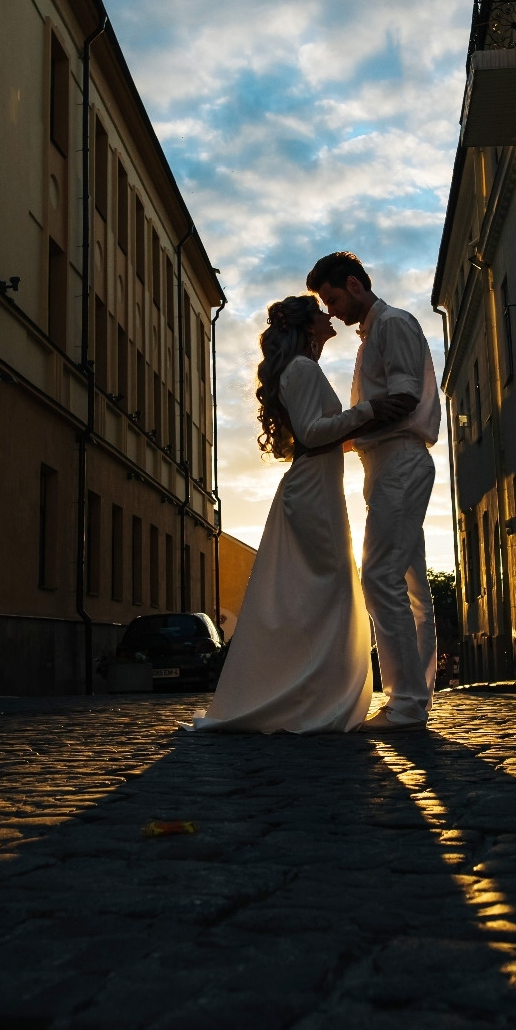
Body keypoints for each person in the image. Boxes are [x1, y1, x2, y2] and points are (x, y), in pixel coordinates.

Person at [191, 296, 409, 733]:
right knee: (328, 594)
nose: (329, 317)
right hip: (313, 491)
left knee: (316, 596)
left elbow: (319, 431)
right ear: (309, 326)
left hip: (314, 486)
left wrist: (359, 424)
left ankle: (311, 694)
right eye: (320, 313)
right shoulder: (303, 369)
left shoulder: (298, 369)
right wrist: (368, 411)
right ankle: (315, 700)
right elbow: (313, 432)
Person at [307, 252, 441, 732]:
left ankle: (405, 702)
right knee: (410, 586)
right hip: (386, 462)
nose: (332, 312)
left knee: (380, 576)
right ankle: (415, 698)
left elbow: (403, 399)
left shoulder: (392, 325)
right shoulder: (372, 337)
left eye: (333, 298)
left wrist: (338, 432)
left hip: (399, 459)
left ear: (354, 284)